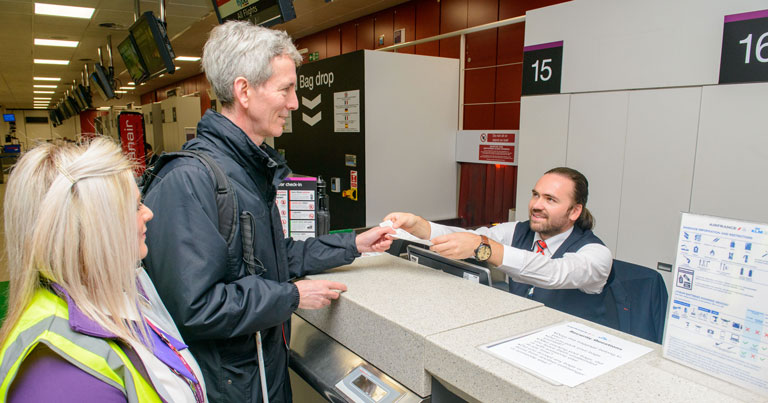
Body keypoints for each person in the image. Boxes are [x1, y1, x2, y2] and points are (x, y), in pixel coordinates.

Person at [141, 21, 393, 403]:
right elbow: (194, 307)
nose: (294, 103)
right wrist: (289, 296)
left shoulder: (244, 169)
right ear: (243, 91)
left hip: (259, 377)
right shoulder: (191, 179)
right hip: (228, 388)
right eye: (285, 89)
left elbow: (275, 257)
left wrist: (354, 243)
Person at [0, 139, 207, 402]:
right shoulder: (61, 373)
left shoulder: (117, 289)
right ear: (93, 226)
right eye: (134, 207)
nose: (149, 213)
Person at [386, 167, 615, 325]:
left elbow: (554, 273)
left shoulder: (596, 254)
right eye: (535, 195)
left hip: (573, 351)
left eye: (550, 199)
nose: (536, 205)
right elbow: (472, 237)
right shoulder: (517, 230)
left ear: (575, 211)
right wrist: (420, 226)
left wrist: (484, 248)